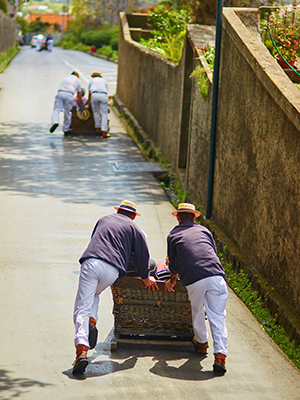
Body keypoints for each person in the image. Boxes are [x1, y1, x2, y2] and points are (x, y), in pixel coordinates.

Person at [72, 200, 159, 375]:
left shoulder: (103, 219)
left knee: (82, 305)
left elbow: (94, 241)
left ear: (118, 211)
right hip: (113, 271)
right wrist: (145, 277)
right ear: (133, 216)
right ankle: (91, 321)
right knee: (95, 293)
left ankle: (82, 349)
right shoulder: (135, 229)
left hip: (93, 263)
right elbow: (144, 256)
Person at [164, 203, 228, 374]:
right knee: (218, 316)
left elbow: (173, 264)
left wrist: (172, 279)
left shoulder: (173, 235)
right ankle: (220, 356)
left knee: (197, 309)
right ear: (194, 217)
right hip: (216, 276)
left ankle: (201, 342)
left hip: (194, 279)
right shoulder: (205, 231)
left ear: (177, 217)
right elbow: (212, 252)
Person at [85, 72, 110, 138]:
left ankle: (98, 128)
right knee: (104, 114)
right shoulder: (104, 81)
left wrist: (88, 104)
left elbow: (89, 93)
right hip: (103, 95)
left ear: (93, 76)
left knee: (96, 112)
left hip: (95, 95)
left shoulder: (92, 81)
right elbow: (106, 91)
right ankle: (104, 131)